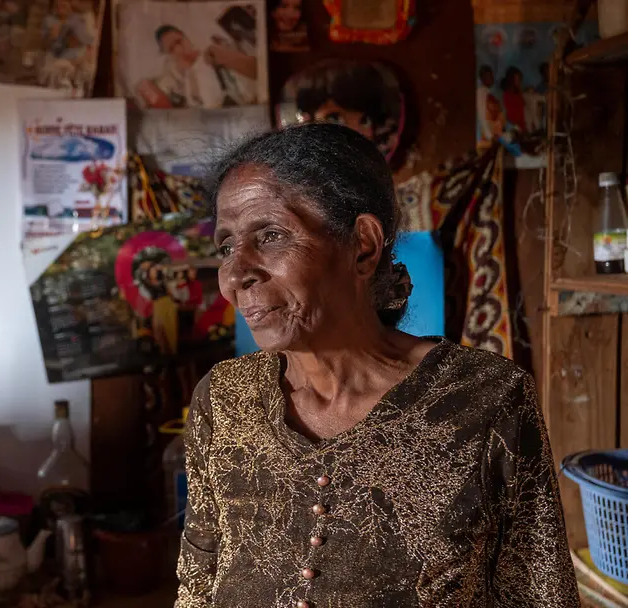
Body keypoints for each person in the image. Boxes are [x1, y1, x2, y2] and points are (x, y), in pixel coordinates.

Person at [175, 123, 577, 607]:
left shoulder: (486, 399)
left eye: (271, 235)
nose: (235, 275)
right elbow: (197, 587)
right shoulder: (224, 400)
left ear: (363, 245)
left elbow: (539, 596)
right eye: (226, 247)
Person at [135, 25, 256, 109]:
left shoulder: (213, 54)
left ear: (186, 38)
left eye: (178, 42)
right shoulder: (178, 80)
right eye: (171, 49)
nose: (178, 49)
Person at [500, 66, 526, 133]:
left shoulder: (518, 93)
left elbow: (523, 107)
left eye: (519, 79)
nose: (519, 81)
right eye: (517, 79)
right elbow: (506, 115)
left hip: (521, 127)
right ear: (511, 80)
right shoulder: (506, 95)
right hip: (513, 128)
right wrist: (516, 127)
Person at [476, 64, 495, 142]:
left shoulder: (487, 92)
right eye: (488, 76)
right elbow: (482, 115)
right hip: (486, 136)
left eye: (491, 75)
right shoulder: (481, 92)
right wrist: (490, 136)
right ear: (482, 78)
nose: (492, 78)